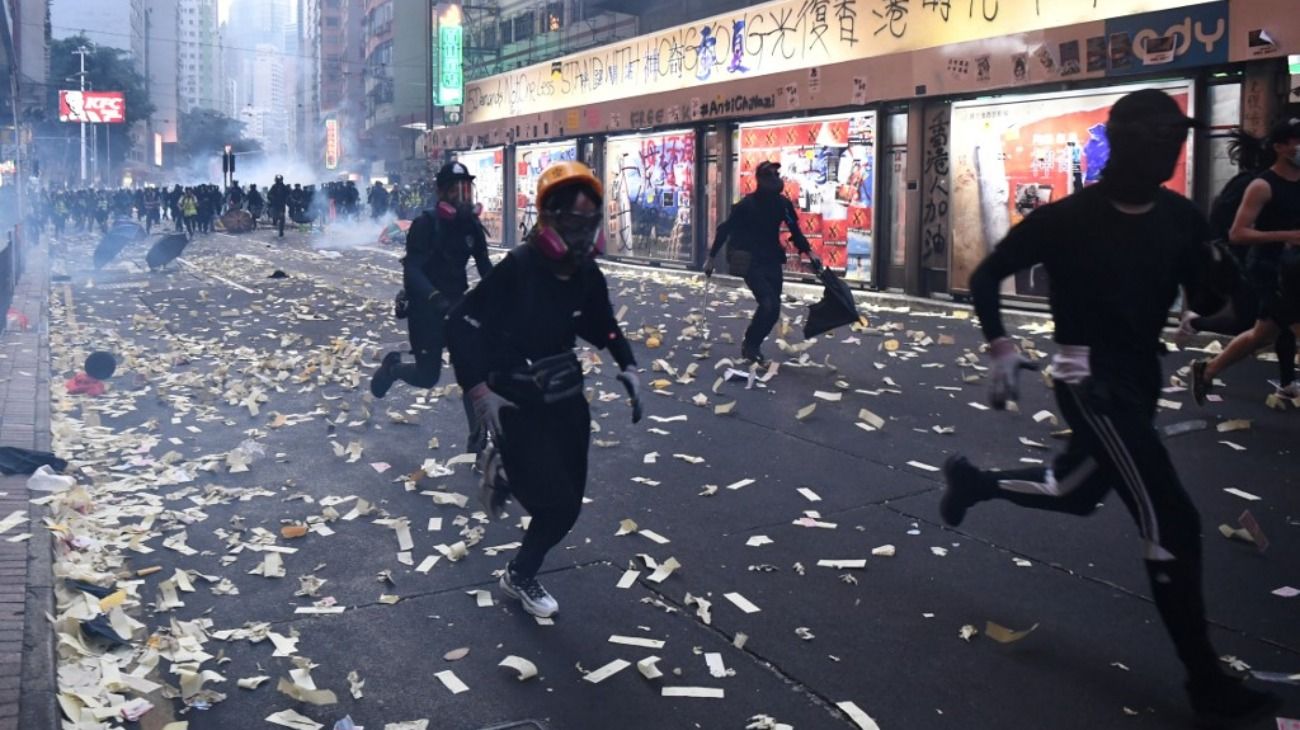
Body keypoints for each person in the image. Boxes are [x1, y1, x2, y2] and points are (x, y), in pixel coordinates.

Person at [938, 90, 1279, 726]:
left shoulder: (1179, 218)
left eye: (1180, 138)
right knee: (1172, 520)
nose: (1176, 148)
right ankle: (1205, 682)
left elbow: (1211, 302)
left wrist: (1219, 276)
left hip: (1138, 377)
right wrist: (1002, 348)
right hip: (1086, 378)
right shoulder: (1069, 219)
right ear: (1130, 142)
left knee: (1074, 492)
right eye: (1167, 137)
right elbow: (987, 276)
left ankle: (974, 482)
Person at [446, 161, 641, 618]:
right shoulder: (518, 267)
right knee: (551, 501)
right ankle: (520, 573)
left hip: (564, 396)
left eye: (589, 224)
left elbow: (603, 324)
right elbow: (460, 323)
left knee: (568, 505)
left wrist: (629, 365)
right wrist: (478, 390)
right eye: (572, 223)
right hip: (514, 399)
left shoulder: (586, 274)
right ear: (549, 220)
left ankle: (513, 494)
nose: (580, 235)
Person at [371, 162, 494, 457]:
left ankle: (477, 435)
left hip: (458, 304)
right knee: (428, 377)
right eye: (455, 189)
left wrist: (500, 295)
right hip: (426, 309)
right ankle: (393, 368)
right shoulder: (425, 224)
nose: (461, 197)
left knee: (471, 371)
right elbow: (412, 270)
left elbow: (485, 266)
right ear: (441, 192)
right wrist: (434, 296)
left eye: (466, 189)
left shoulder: (472, 227)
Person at [1191, 120, 1300, 401]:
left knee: (1261, 334)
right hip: (1268, 270)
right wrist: (1287, 235)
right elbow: (1237, 233)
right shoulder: (1262, 185)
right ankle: (1197, 327)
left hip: (1294, 268)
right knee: (1287, 326)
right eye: (1296, 141)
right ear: (1280, 148)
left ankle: (1207, 370)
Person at [704, 160, 821, 365]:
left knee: (773, 309)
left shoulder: (783, 205)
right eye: (770, 176)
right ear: (760, 180)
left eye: (777, 175)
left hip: (771, 260)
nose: (776, 179)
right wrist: (711, 258)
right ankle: (750, 345)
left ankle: (752, 344)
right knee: (768, 304)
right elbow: (725, 229)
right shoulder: (746, 205)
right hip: (751, 262)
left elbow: (795, 230)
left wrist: (810, 253)